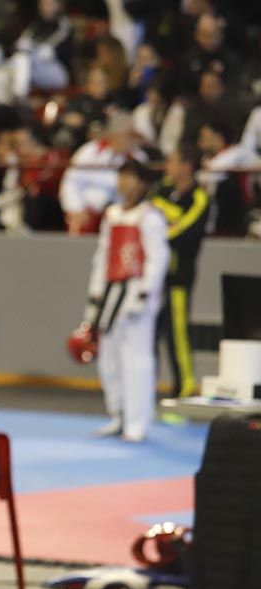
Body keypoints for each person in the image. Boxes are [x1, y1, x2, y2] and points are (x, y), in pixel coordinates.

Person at [82, 159, 170, 442]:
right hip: (110, 291)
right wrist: (95, 293)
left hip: (134, 292)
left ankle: (137, 422)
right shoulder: (112, 215)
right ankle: (117, 414)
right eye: (121, 177)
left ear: (143, 184)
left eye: (130, 178)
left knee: (137, 360)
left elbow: (158, 260)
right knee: (108, 357)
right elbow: (103, 255)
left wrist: (145, 294)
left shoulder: (150, 217)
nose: (124, 184)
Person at [151, 143, 209, 398]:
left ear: (187, 166)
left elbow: (182, 233)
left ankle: (184, 389)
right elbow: (148, 219)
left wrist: (165, 221)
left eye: (173, 161)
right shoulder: (161, 188)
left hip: (179, 278)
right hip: (153, 276)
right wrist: (167, 219)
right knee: (149, 334)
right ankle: (145, 389)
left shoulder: (199, 198)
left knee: (177, 335)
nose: (168, 166)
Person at [58, 111, 147, 235]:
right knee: (79, 225)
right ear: (114, 134)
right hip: (89, 212)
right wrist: (76, 209)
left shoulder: (138, 157)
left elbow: (141, 190)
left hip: (121, 212)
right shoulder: (89, 151)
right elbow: (70, 182)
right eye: (127, 135)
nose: (130, 140)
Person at [0, 0, 73, 106]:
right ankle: (4, 110)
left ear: (59, 5)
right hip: (32, 67)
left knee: (23, 59)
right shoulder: (36, 24)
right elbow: (20, 44)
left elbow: (56, 51)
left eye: (50, 4)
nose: (45, 7)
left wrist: (41, 50)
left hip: (56, 70)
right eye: (43, 4)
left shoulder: (64, 24)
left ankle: (20, 100)